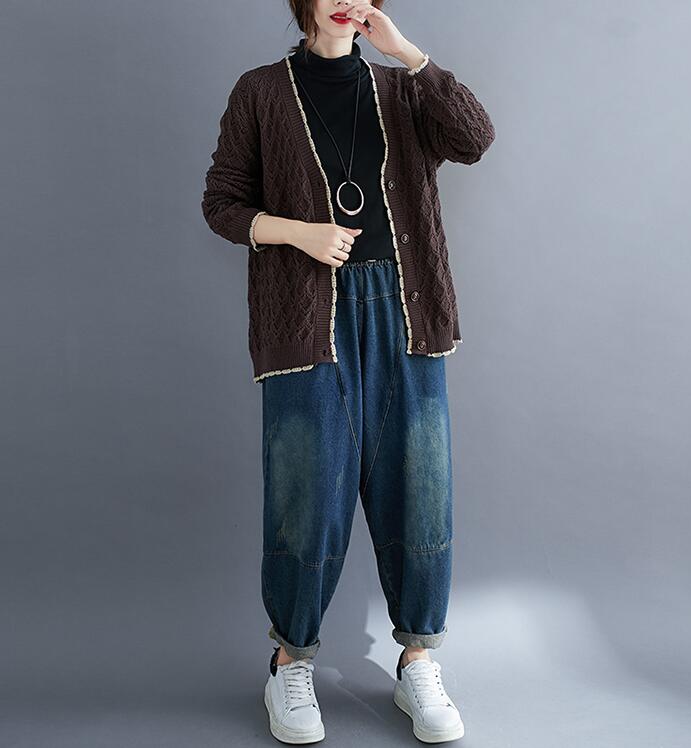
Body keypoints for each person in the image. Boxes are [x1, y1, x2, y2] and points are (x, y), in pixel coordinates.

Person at [201, 0, 495, 742]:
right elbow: (222, 204)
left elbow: (475, 138)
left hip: (407, 312)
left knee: (418, 491)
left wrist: (409, 54)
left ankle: (418, 661)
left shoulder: (402, 88)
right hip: (307, 319)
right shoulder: (260, 91)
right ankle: (289, 663)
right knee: (307, 495)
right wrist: (299, 233)